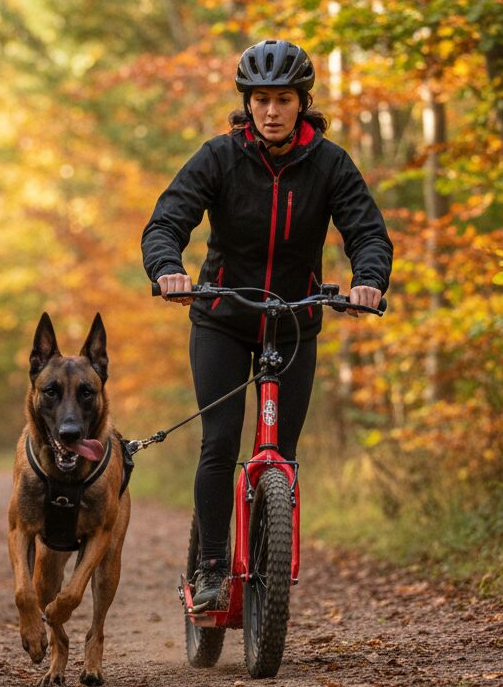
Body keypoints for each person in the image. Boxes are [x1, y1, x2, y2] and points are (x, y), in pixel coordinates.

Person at [141, 39, 394, 610]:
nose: (272, 110)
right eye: (261, 100)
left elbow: (367, 233)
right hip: (223, 320)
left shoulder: (330, 164)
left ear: (302, 103)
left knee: (284, 448)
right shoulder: (220, 157)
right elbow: (166, 222)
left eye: (283, 99)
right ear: (247, 104)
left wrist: (368, 280)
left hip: (294, 320)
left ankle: (269, 566)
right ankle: (210, 570)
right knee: (221, 443)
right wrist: (168, 270)